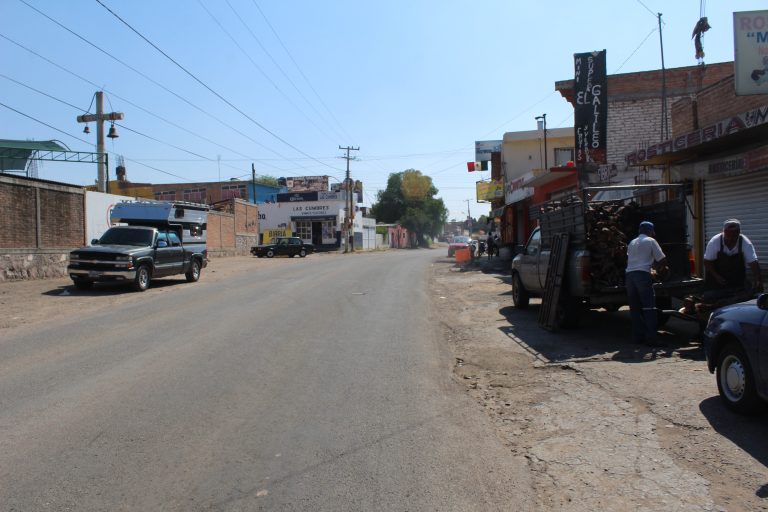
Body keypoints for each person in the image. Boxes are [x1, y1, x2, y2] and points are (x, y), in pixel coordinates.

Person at [625, 221, 669, 347]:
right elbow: (662, 260)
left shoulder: (632, 242)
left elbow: (635, 259)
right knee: (649, 308)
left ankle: (637, 337)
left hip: (629, 276)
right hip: (642, 275)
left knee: (635, 309)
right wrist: (660, 271)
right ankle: (652, 338)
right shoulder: (651, 241)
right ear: (650, 231)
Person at [702, 218, 763, 307]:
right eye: (728, 236)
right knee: (709, 297)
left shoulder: (745, 242)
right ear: (723, 232)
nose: (731, 239)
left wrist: (758, 280)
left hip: (737, 282)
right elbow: (707, 261)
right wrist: (716, 276)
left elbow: (753, 263)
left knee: (744, 297)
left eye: (734, 237)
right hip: (716, 282)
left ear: (739, 233)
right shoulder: (715, 241)